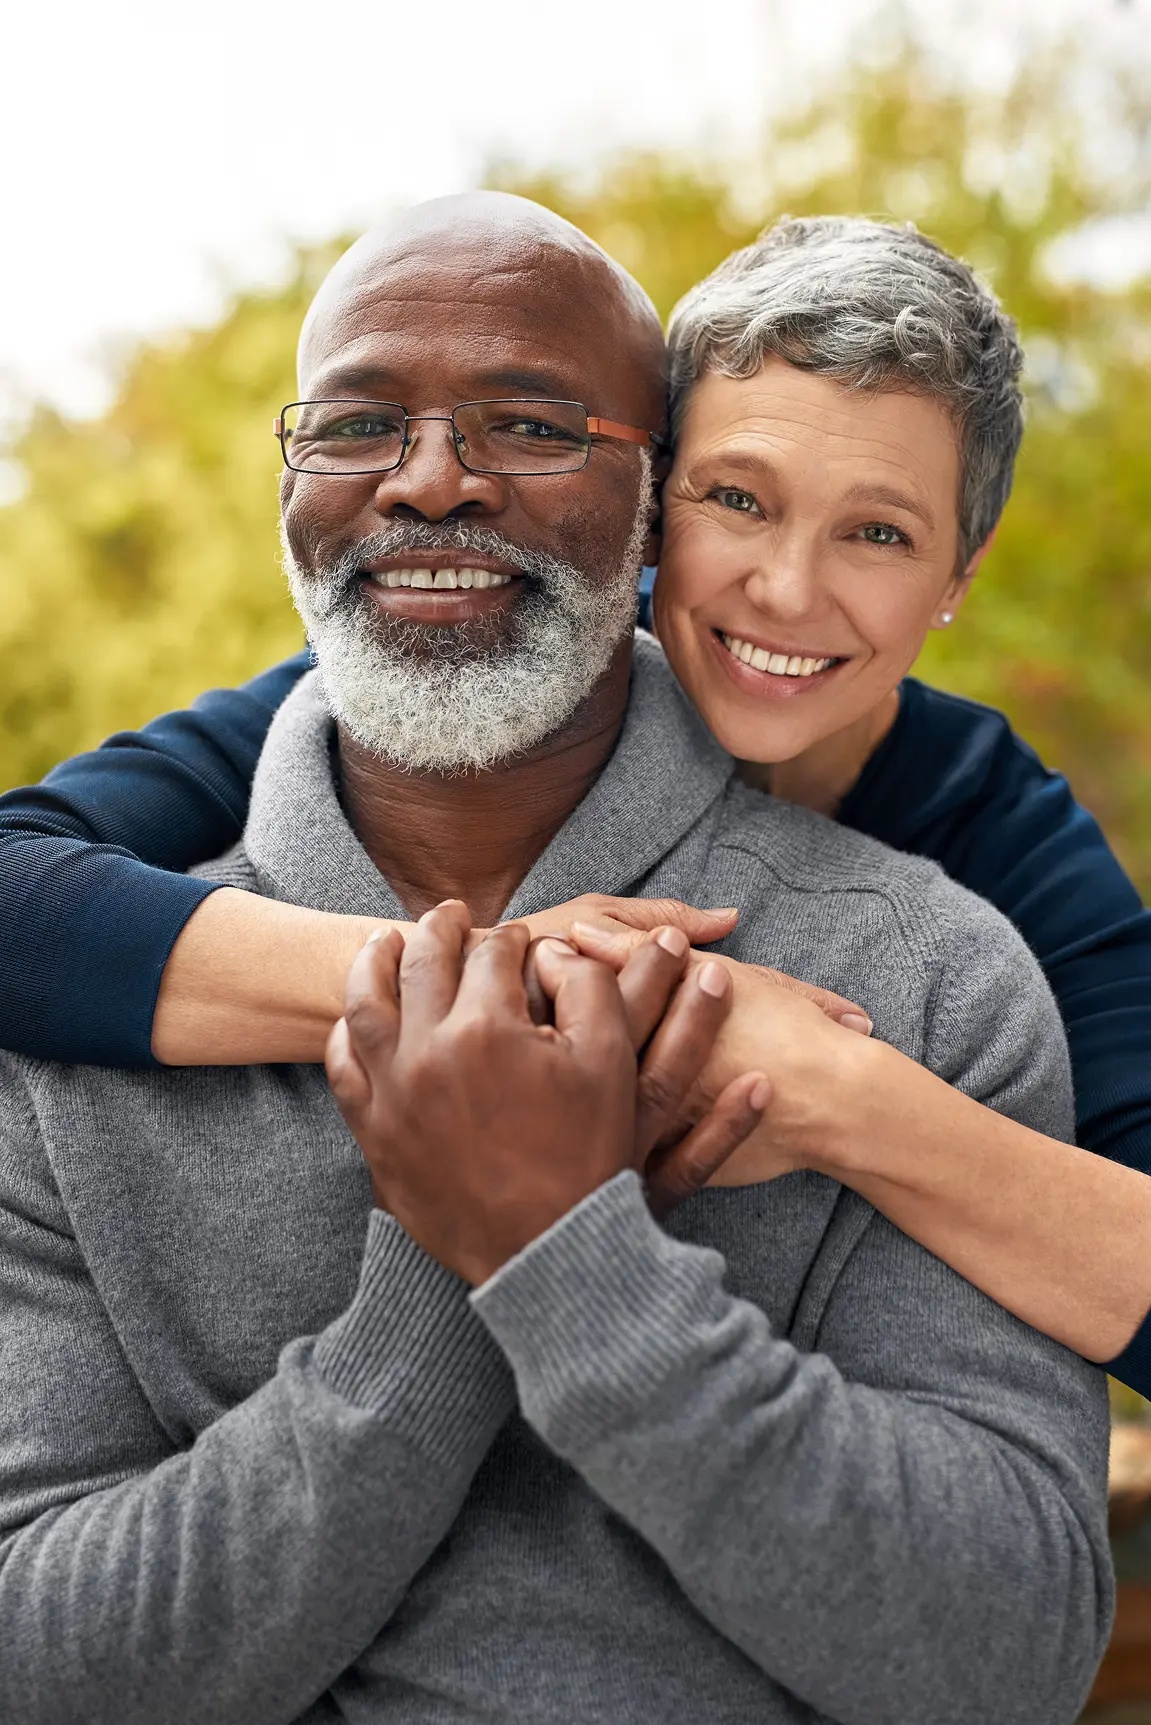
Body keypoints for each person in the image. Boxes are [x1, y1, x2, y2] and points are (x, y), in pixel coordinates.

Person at [0, 193, 1111, 1724]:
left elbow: (1004, 1665)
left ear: (636, 503)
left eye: (527, 424)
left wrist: (603, 1238)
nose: (435, 483)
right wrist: (482, 1126)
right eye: (358, 421)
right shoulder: (74, 1010)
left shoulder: (943, 956)